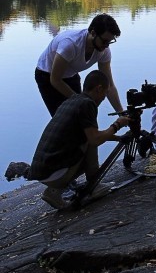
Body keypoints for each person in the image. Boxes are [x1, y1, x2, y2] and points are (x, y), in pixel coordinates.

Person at [29, 70, 131, 209]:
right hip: (54, 173)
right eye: (105, 93)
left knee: (87, 139)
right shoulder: (88, 104)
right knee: (89, 142)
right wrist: (117, 124)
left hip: (43, 171)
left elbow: (93, 134)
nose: (104, 98)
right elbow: (94, 140)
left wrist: (118, 138)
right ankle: (94, 186)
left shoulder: (72, 100)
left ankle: (55, 191)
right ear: (98, 88)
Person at [35, 13, 123, 116]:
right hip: (47, 75)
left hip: (71, 74)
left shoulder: (104, 51)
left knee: (82, 116)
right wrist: (81, 101)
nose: (107, 45)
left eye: (110, 42)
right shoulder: (70, 44)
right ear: (93, 33)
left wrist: (121, 112)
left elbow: (109, 86)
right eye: (104, 41)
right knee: (64, 118)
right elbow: (55, 79)